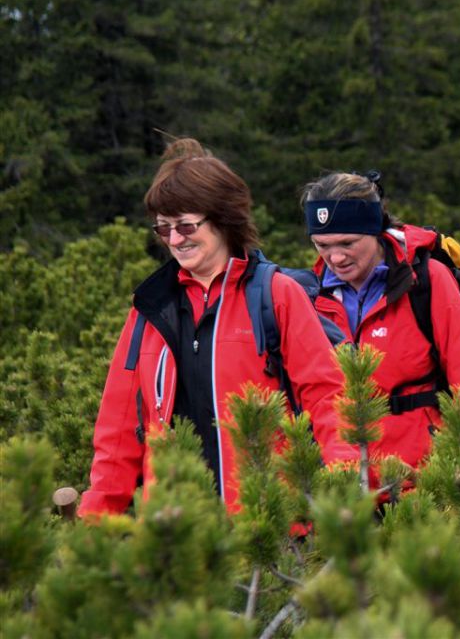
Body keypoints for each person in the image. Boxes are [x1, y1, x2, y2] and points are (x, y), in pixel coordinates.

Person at [79, 138, 346, 516]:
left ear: (223, 219)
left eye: (186, 226)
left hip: (267, 533)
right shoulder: (150, 309)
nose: (174, 240)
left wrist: (344, 495)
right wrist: (95, 531)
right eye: (163, 229)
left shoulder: (276, 295)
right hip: (176, 541)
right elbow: (118, 434)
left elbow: (328, 400)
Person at [302, 172, 460, 486]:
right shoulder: (310, 296)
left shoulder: (426, 282)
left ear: (375, 231)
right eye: (322, 245)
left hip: (425, 483)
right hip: (346, 492)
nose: (335, 257)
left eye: (348, 243)